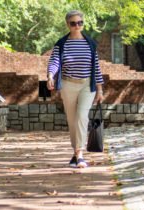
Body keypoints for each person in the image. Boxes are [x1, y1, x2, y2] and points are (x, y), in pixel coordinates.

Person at [47, 10, 104, 168]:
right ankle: (75, 153)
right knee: (72, 121)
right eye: (73, 23)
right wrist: (50, 76)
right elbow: (54, 62)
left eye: (80, 22)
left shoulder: (90, 43)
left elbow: (96, 68)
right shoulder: (62, 43)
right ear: (68, 25)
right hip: (68, 84)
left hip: (87, 85)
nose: (77, 26)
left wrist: (100, 90)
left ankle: (79, 154)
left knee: (81, 117)